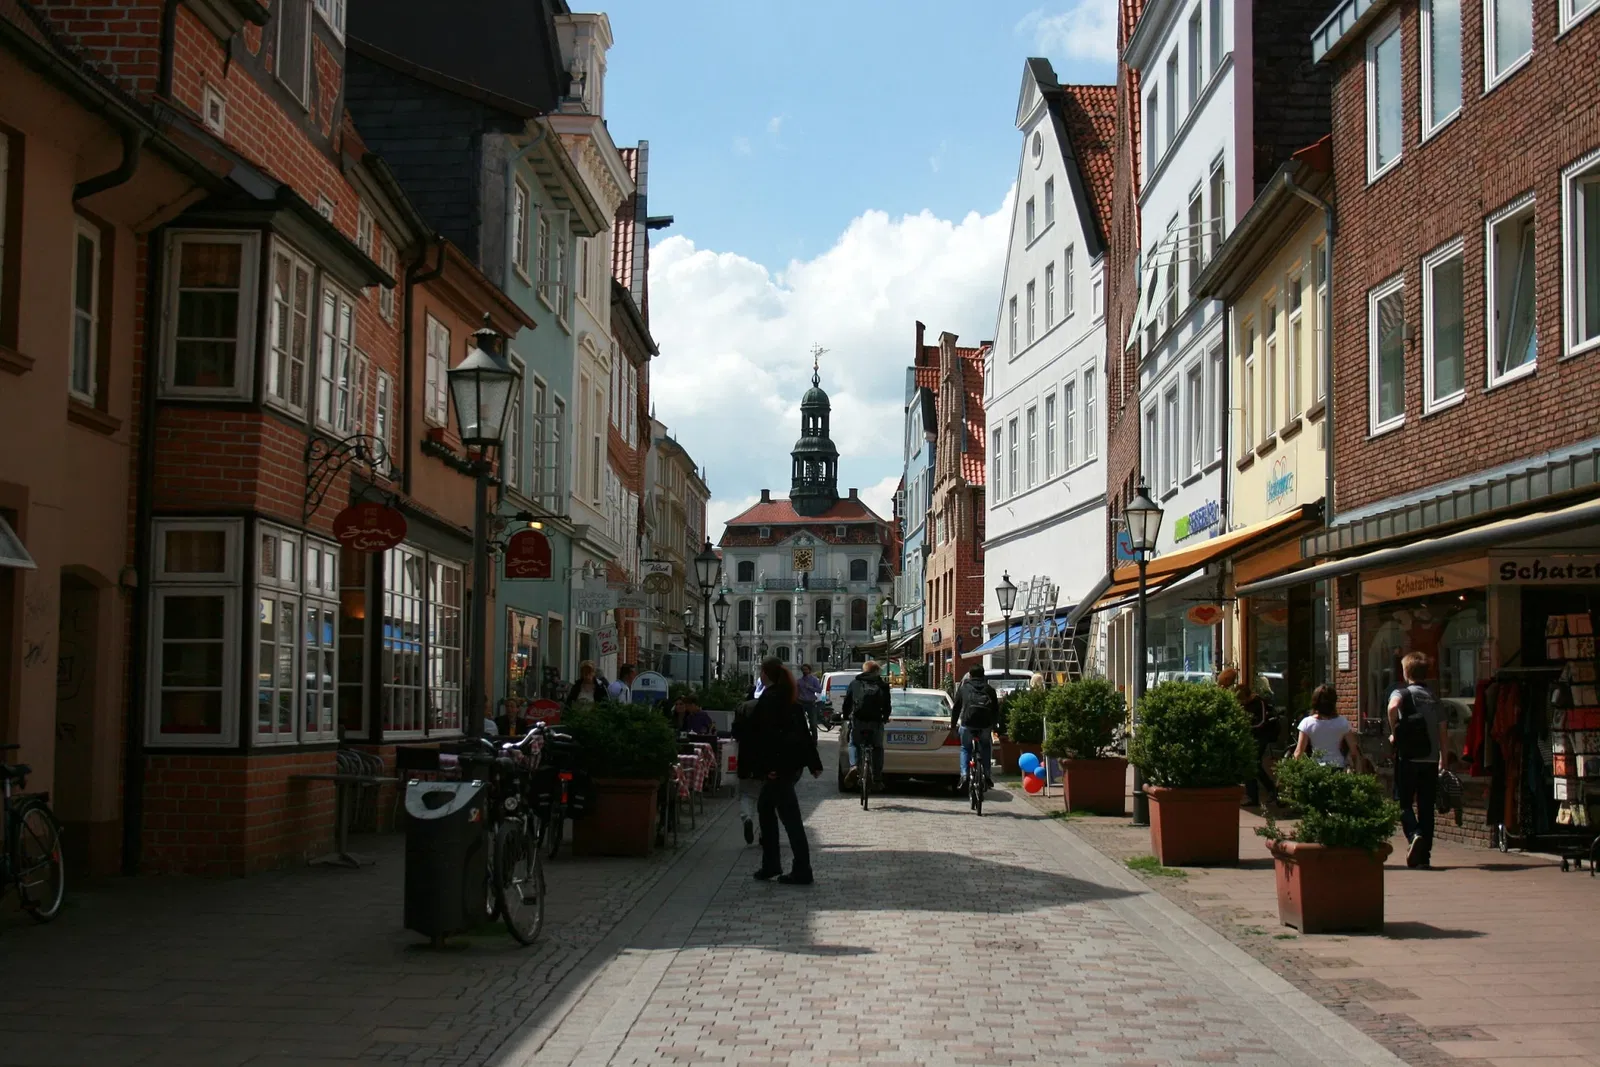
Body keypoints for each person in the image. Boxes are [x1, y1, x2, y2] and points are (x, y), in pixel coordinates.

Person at [737, 657, 822, 884]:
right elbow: (804, 735)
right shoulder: (789, 700)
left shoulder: (769, 701)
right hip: (789, 767)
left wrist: (768, 768)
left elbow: (764, 738)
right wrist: (814, 764)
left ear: (765, 674)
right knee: (767, 808)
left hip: (779, 768)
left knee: (790, 818)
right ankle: (773, 864)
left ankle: (799, 868)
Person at [1388, 651, 1448, 869]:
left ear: (1405, 672)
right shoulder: (1434, 698)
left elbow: (1392, 707)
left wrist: (1394, 731)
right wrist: (1444, 758)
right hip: (1430, 760)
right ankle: (1425, 857)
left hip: (1408, 758)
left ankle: (1415, 834)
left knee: (1401, 802)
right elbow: (1443, 731)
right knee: (1426, 806)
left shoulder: (1402, 693)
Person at [1220, 666, 1277, 807]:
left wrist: (1247, 727)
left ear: (1247, 697)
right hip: (1250, 737)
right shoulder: (1242, 703)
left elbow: (1262, 722)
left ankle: (1271, 790)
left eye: (1243, 702)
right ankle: (1255, 796)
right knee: (1250, 766)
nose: (1242, 705)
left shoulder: (1259, 703)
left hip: (1261, 737)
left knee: (1254, 764)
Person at [842, 660, 892, 790]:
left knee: (853, 743)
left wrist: (846, 716)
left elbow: (847, 703)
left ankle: (854, 766)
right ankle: (877, 778)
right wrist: (885, 717)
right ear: (877, 671)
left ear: (864, 670)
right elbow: (887, 705)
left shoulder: (855, 683)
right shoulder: (883, 685)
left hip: (858, 720)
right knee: (878, 748)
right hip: (875, 721)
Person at [951, 664, 1000, 791]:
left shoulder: (964, 688)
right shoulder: (989, 689)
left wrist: (952, 727)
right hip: (985, 725)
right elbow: (995, 710)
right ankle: (987, 774)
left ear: (970, 675)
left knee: (965, 748)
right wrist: (994, 727)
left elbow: (956, 708)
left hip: (968, 723)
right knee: (985, 746)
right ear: (983, 675)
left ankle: (964, 775)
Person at [1294, 684, 1358, 768]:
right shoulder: (1342, 722)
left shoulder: (1307, 723)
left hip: (1316, 768)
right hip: (1337, 766)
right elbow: (1354, 751)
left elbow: (1299, 752)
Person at [797, 664, 824, 741]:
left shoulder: (814, 680)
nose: (805, 671)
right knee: (800, 722)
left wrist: (810, 687)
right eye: (803, 669)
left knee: (813, 723)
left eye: (806, 669)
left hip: (811, 703)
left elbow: (819, 690)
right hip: (801, 702)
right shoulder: (799, 681)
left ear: (809, 670)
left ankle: (814, 740)